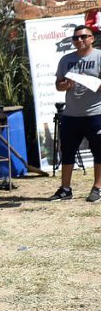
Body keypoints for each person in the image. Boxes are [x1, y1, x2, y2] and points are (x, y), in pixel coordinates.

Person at [49, 25, 101, 203]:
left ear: (92, 38)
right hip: (71, 114)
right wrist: (64, 85)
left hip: (96, 113)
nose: (79, 40)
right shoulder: (66, 60)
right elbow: (58, 85)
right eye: (75, 38)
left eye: (83, 37)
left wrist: (93, 83)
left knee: (99, 151)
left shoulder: (98, 56)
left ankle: (97, 188)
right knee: (67, 151)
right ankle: (65, 189)